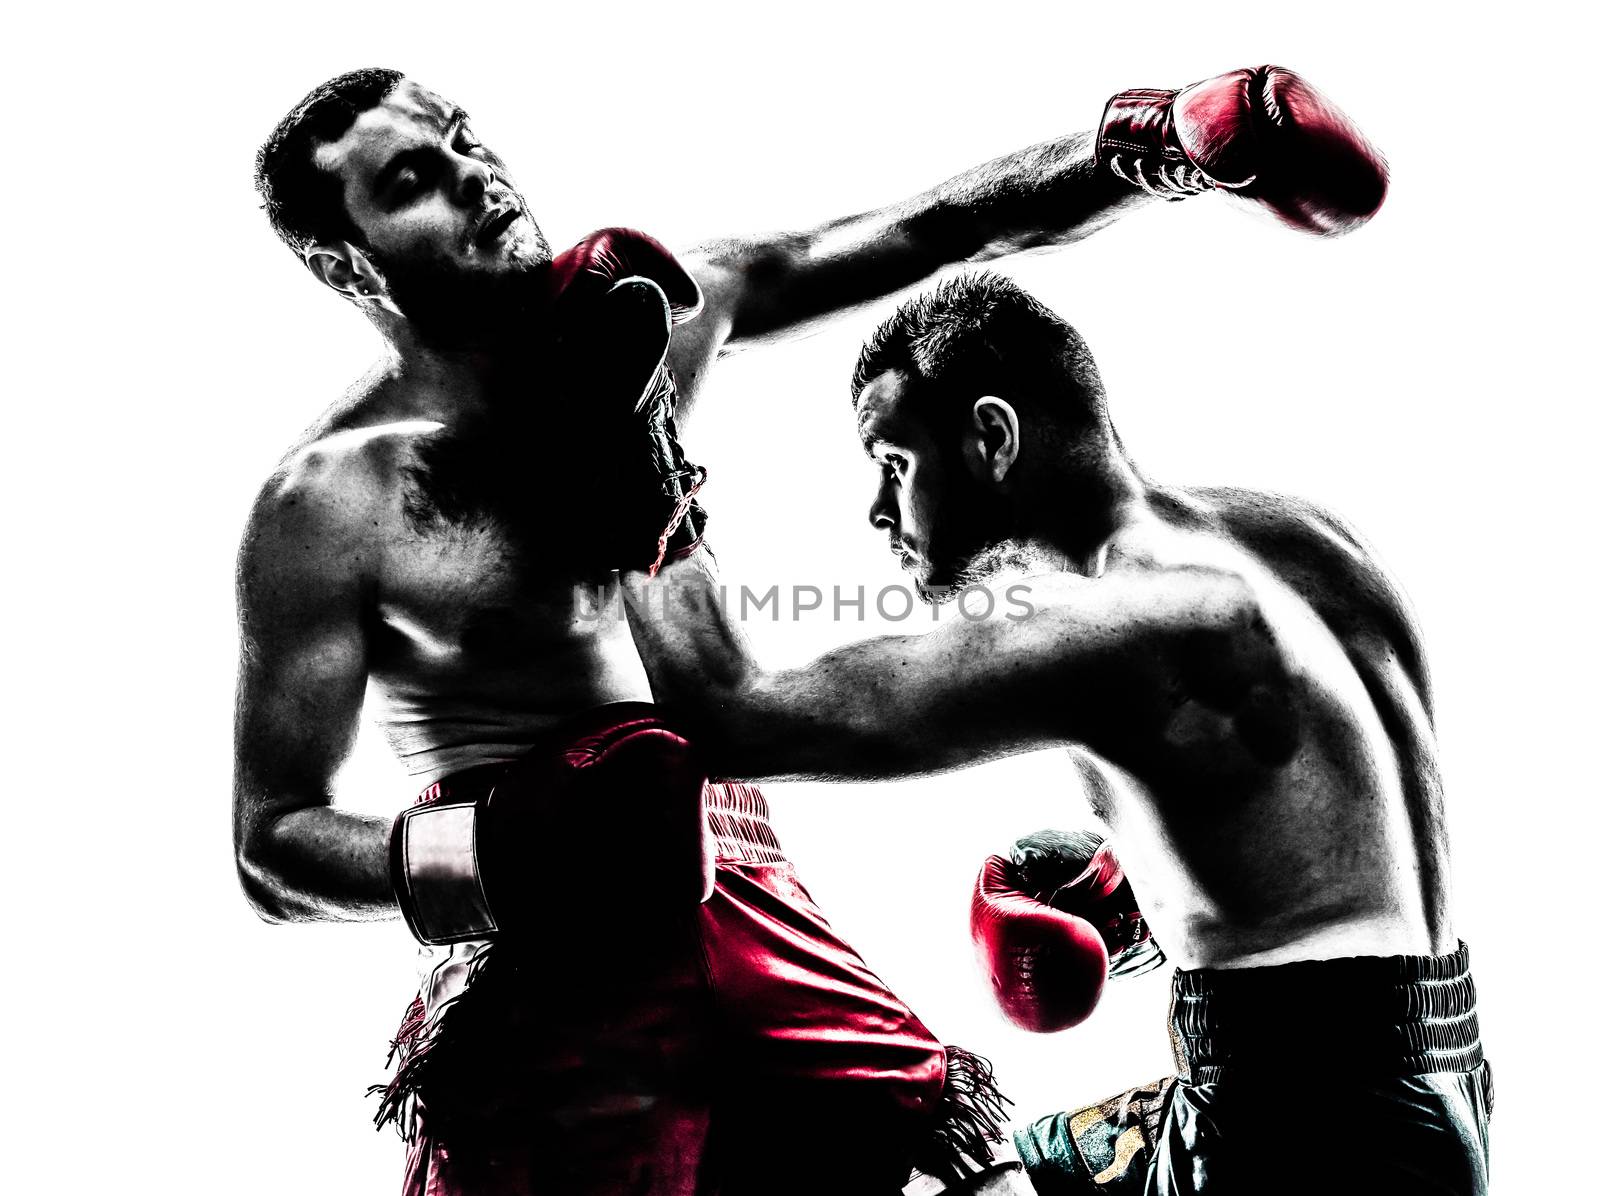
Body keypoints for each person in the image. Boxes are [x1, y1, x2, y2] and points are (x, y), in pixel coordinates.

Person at [234, 66, 1385, 1195]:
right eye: (415, 178)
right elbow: (271, 845)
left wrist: (1156, 150)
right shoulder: (332, 501)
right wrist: (487, 855)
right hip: (558, 984)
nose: (478, 177)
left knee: (981, 1179)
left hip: (763, 922)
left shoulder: (648, 323)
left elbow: (934, 229)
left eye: (466, 139)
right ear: (347, 260)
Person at [622, 272, 1490, 1195]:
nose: (879, 512)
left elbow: (731, 713)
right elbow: (1337, 844)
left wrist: (631, 459)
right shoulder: (1303, 539)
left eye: (894, 464)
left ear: (992, 439)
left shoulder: (1106, 622)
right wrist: (1127, 889)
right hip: (1431, 1076)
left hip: (1309, 1128)